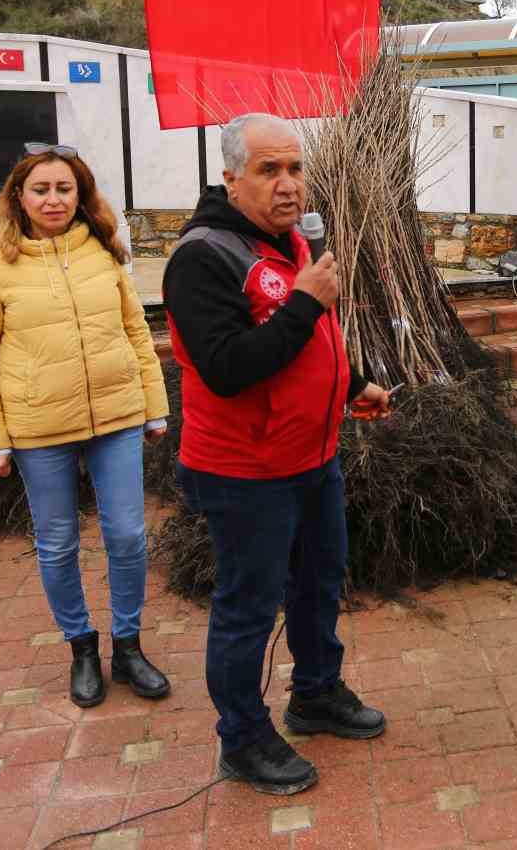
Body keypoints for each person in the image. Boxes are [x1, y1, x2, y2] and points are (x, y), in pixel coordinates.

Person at [163, 113, 392, 797]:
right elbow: (229, 367)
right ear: (232, 176)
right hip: (244, 473)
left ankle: (316, 694)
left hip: (312, 456)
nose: (288, 184)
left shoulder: (292, 240)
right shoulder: (201, 258)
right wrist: (303, 301)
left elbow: (310, 340)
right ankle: (242, 738)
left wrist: (352, 386)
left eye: (295, 168)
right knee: (248, 607)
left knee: (320, 583)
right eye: (270, 170)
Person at [0, 143, 172, 709]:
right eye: (41, 189)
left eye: (64, 188)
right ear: (19, 197)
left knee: (127, 534)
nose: (53, 199)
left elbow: (135, 330)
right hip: (36, 425)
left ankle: (127, 646)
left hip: (117, 414)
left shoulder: (104, 249)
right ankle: (81, 647)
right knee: (57, 543)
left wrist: (154, 406)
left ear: (80, 194)